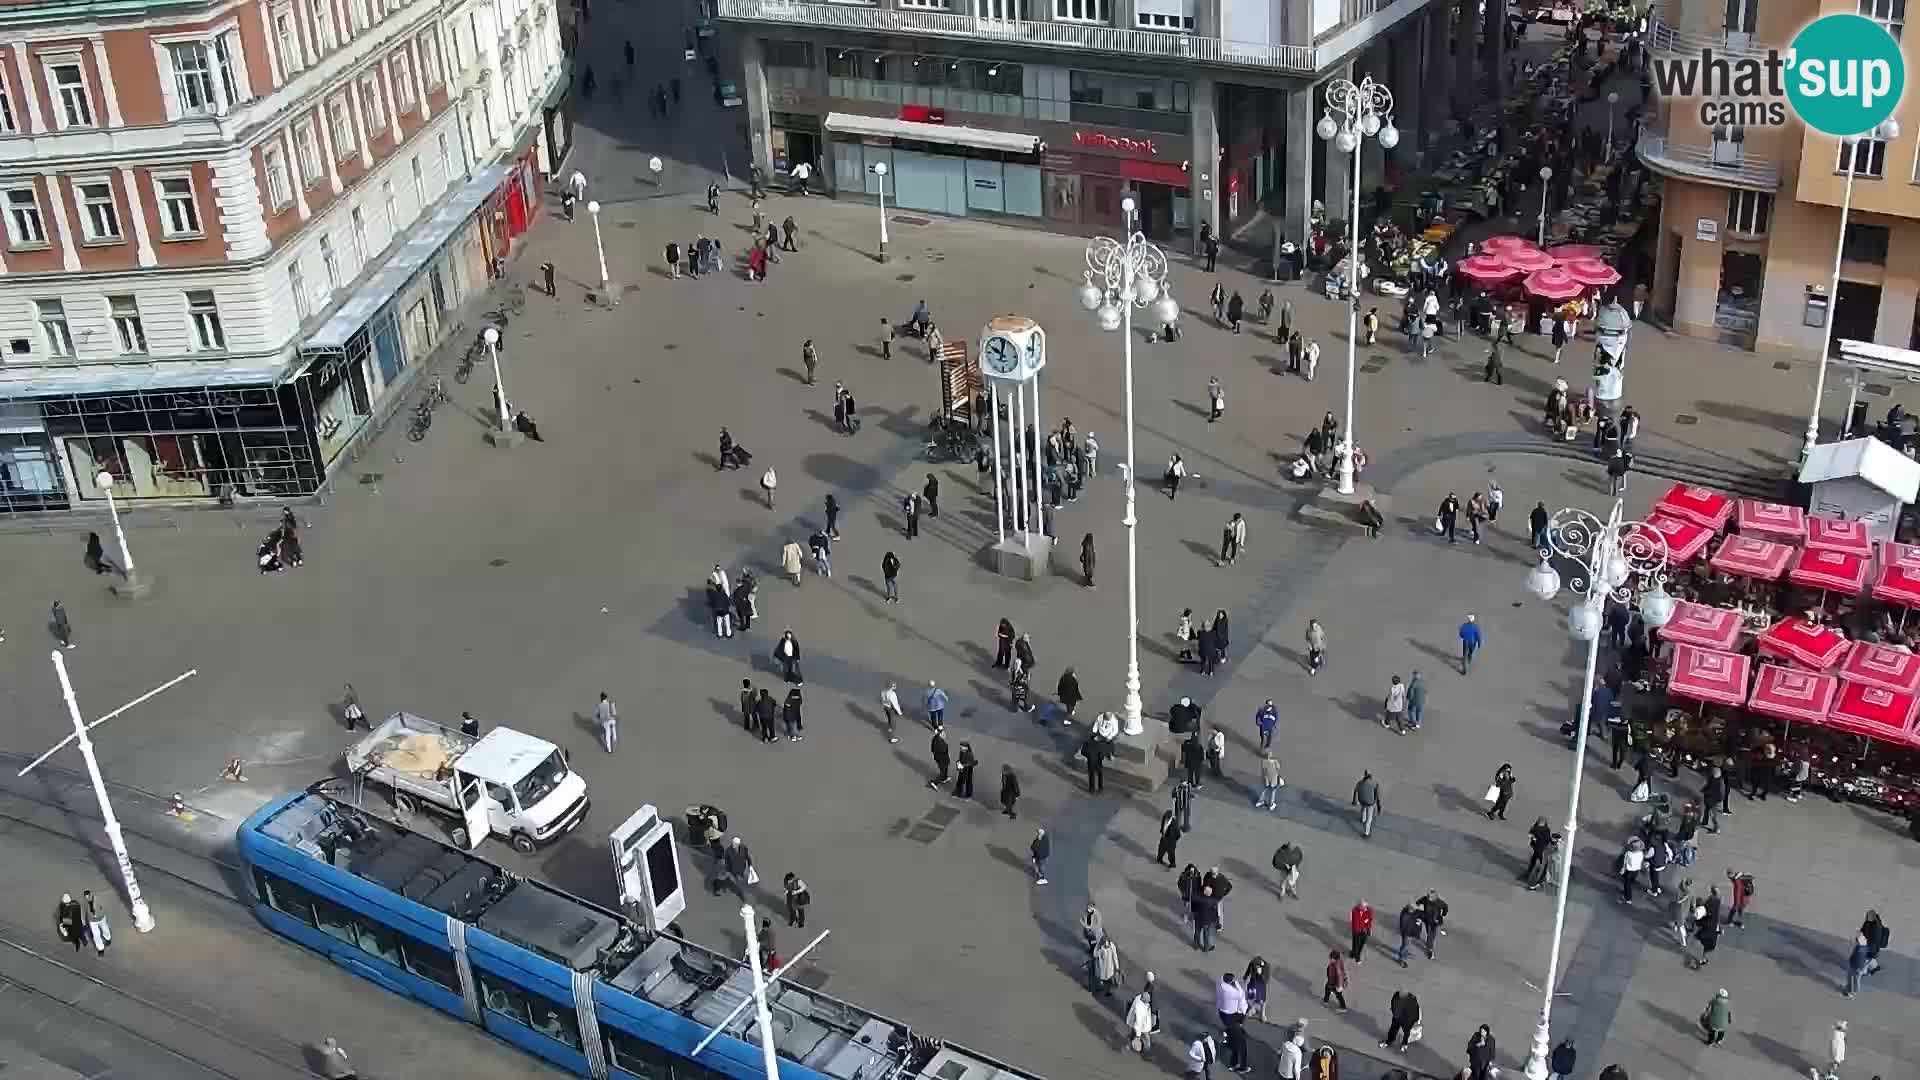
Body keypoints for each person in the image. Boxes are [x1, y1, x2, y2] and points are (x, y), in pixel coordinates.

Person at [1393, 902, 1422, 966]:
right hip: (1407, 934)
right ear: (1410, 910)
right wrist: (1416, 923)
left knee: (1407, 945)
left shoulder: (1411, 913)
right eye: (1414, 909)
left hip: (1411, 933)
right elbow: (1406, 927)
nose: (1415, 910)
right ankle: (1401, 959)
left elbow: (1418, 914)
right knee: (1405, 945)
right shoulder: (1405, 916)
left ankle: (1405, 953)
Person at [1353, 771, 1381, 837]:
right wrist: (1378, 806)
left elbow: (1355, 791)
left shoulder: (1360, 782)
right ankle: (1366, 833)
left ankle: (1362, 819)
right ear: (1370, 776)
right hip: (1370, 803)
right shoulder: (1375, 783)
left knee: (1363, 808)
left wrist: (1354, 800)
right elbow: (1377, 796)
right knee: (1369, 818)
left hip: (1361, 800)